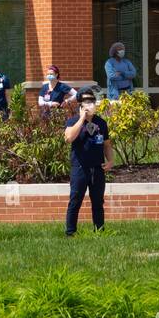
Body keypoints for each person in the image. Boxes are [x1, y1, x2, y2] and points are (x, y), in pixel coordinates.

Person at [63, 88, 112, 236]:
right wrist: (81, 119)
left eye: (92, 101)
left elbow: (107, 144)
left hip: (97, 168)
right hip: (79, 167)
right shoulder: (72, 121)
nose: (89, 104)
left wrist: (110, 161)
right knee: (75, 200)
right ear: (80, 104)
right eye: (86, 101)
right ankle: (70, 232)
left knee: (98, 202)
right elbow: (69, 138)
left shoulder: (101, 123)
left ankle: (99, 230)